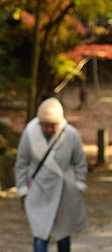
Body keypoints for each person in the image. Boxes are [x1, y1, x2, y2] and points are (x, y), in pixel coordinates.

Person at [15, 97, 88, 252]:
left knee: (63, 235)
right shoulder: (29, 133)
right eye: (45, 125)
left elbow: (80, 162)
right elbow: (22, 163)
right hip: (38, 190)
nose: (49, 129)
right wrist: (22, 189)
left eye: (52, 125)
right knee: (40, 234)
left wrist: (78, 185)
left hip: (64, 191)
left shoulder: (71, 134)